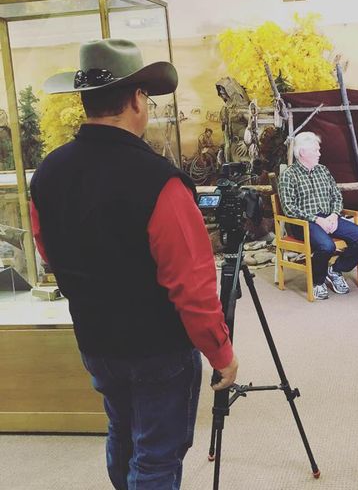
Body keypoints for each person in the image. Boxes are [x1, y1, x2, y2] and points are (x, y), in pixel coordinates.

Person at [29, 38, 238, 490]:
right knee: (157, 456)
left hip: (95, 339)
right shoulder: (158, 181)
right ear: (138, 99)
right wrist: (221, 352)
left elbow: (49, 252)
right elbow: (193, 285)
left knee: (122, 433)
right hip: (157, 347)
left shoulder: (48, 172)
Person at [278, 131, 358, 300]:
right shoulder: (288, 175)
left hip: (329, 218)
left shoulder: (323, 170)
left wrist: (335, 215)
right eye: (316, 150)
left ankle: (336, 269)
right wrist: (316, 219)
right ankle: (317, 281)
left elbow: (337, 196)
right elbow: (289, 208)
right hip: (304, 222)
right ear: (302, 153)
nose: (319, 153)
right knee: (326, 246)